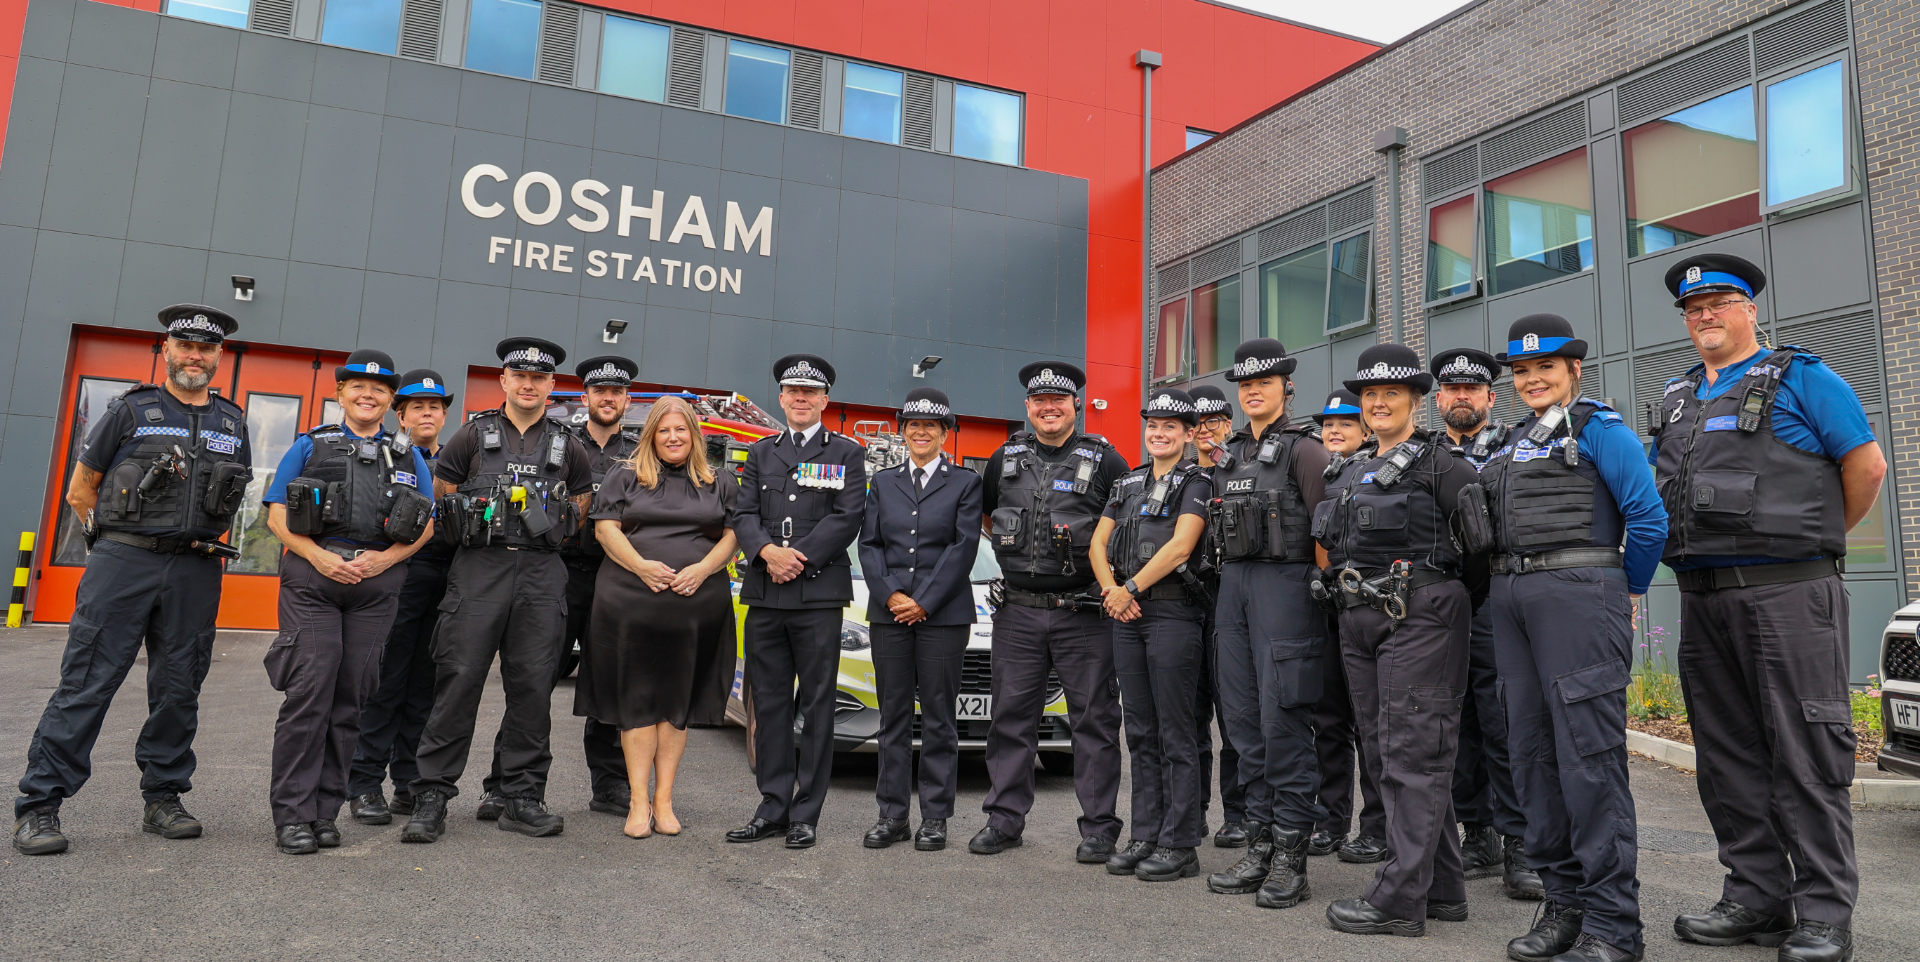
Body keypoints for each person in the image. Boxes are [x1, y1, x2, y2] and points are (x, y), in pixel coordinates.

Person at [1652, 254, 1884, 962]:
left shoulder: (1804, 378)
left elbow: (1866, 466)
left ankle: (1823, 915)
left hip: (1790, 594)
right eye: (1693, 309)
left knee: (1806, 752)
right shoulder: (1677, 398)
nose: (1705, 316)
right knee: (1727, 759)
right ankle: (1756, 899)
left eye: (1719, 303)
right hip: (1703, 599)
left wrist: (1811, 544)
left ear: (1750, 307)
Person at [13, 305, 252, 856]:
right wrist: (113, 546)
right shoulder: (131, 409)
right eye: (185, 345)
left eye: (206, 348)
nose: (195, 356)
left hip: (195, 566)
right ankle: (41, 805)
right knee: (87, 681)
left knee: (178, 687)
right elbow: (82, 489)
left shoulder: (233, 422)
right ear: (165, 350)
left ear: (219, 357)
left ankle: (163, 798)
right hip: (124, 563)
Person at [1479, 315, 1667, 962]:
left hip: (1579, 596)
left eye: (1545, 369)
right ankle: (1563, 907)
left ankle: (1615, 927)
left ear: (1573, 370)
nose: (1532, 380)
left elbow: (1646, 516)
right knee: (1531, 759)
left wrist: (1625, 591)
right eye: (1523, 372)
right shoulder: (1509, 441)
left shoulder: (1600, 429)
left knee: (1589, 764)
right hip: (1511, 602)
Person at [1317, 343, 1484, 938]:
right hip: (1359, 616)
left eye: (1391, 393)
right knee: (1389, 754)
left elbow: (1481, 552)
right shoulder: (1353, 468)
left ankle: (1397, 901)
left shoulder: (1445, 465)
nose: (1379, 403)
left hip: (1421, 612)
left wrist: (1439, 603)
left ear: (1417, 399)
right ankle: (1441, 888)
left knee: (1415, 753)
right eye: (1370, 395)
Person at [401, 337, 593, 844]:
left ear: (552, 386)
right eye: (519, 376)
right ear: (504, 381)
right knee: (458, 680)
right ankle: (432, 795)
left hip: (541, 573)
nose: (528, 384)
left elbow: (580, 508)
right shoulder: (471, 435)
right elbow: (442, 497)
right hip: (478, 569)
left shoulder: (568, 444)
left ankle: (521, 796)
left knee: (532, 687)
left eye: (540, 378)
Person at [263, 350, 436, 854]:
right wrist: (319, 557)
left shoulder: (408, 456)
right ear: (340, 393)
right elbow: (275, 514)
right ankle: (293, 814)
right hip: (314, 580)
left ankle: (324, 811)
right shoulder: (310, 446)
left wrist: (385, 562)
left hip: (376, 587)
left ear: (390, 400)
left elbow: (425, 523)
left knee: (351, 699)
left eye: (380, 389)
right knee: (309, 695)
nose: (369, 394)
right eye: (358, 386)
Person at [971, 362, 1129, 861]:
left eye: (1058, 400)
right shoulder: (1004, 457)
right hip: (1017, 612)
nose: (1048, 408)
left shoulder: (1105, 461)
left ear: (1075, 404)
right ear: (1027, 407)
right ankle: (1003, 821)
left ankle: (1100, 828)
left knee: (1094, 722)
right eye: (1039, 401)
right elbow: (987, 513)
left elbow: (1124, 525)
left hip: (1083, 613)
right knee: (1011, 719)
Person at [476, 356, 640, 821]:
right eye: (599, 391)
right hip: (557, 572)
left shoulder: (638, 451)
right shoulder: (562, 442)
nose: (607, 399)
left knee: (610, 682)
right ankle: (502, 785)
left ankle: (610, 785)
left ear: (627, 400)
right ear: (584, 397)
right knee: (531, 680)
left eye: (616, 392)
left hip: (616, 579)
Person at [1202, 338, 1329, 910]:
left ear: (1286, 387)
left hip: (1287, 589)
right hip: (1234, 591)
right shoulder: (1227, 455)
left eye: (1265, 382)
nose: (1254, 391)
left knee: (1283, 725)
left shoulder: (1306, 450)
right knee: (1243, 724)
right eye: (1246, 384)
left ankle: (1290, 858)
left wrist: (1321, 595)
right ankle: (1257, 845)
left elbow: (1327, 531)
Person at [578, 395, 739, 838]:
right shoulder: (625, 475)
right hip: (631, 605)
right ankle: (637, 802)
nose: (673, 437)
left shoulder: (719, 481)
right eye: (664, 430)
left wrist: (705, 569)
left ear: (694, 434)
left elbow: (733, 535)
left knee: (675, 706)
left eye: (681, 430)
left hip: (694, 609)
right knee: (638, 705)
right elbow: (605, 528)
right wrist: (642, 566)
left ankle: (664, 801)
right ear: (651, 433)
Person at [727, 354, 867, 850]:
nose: (801, 399)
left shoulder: (846, 453)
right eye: (792, 392)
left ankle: (807, 812)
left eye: (811, 393)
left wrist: (797, 559)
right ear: (782, 399)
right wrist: (767, 552)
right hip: (767, 594)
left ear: (824, 400)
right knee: (767, 704)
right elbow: (743, 513)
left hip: (817, 595)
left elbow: (847, 516)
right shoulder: (761, 452)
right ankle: (772, 806)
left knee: (818, 704)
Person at [1428, 346, 1542, 902]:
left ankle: (1522, 844)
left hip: (1498, 597)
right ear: (1439, 400)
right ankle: (1478, 834)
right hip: (1443, 602)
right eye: (1452, 390)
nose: (1462, 397)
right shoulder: (1423, 456)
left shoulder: (1516, 447)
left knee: (1505, 721)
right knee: (1458, 724)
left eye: (1473, 389)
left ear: (1491, 399)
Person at [1090, 387, 1214, 881]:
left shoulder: (1197, 481)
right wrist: (1111, 592)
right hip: (1126, 615)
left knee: (1176, 732)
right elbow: (1098, 543)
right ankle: (1145, 832)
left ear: (1188, 435)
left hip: (1172, 615)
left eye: (1170, 427)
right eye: (1153, 427)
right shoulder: (1127, 481)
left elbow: (1183, 545)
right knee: (1139, 731)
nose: (1159, 434)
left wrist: (1132, 586)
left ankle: (1180, 842)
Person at [857, 388, 983, 852]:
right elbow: (868, 545)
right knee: (891, 718)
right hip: (889, 615)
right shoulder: (884, 481)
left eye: (931, 426)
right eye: (913, 425)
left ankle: (934, 817)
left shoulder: (966, 482)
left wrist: (923, 601)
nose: (922, 432)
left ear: (945, 433)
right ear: (903, 431)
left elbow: (963, 547)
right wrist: (891, 595)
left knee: (938, 719)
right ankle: (891, 815)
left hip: (943, 616)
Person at [348, 370, 455, 825]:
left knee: (424, 690)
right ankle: (364, 783)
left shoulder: (459, 461)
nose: (427, 413)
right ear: (401, 414)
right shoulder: (386, 455)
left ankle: (409, 782)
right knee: (384, 685)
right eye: (416, 407)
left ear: (445, 415)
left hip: (444, 582)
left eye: (435, 407)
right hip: (395, 576)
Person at [1304, 390, 1386, 864]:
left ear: (1367, 431)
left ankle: (1376, 826)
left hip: (1370, 609)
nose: (1334, 431)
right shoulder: (1329, 474)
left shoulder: (1380, 471)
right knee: (1329, 722)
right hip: (1329, 610)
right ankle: (1330, 821)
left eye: (1345, 424)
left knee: (1374, 726)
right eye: (1328, 424)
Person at [1188, 384, 1247, 849]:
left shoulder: (1240, 470)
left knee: (1236, 719)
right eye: (1199, 424)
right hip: (1185, 609)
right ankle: (1192, 814)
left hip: (1232, 607)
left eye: (1215, 422)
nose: (1207, 431)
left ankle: (1239, 813)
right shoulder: (1180, 477)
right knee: (1190, 721)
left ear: (1229, 424)